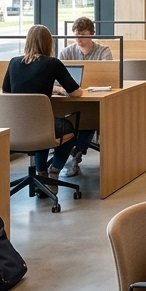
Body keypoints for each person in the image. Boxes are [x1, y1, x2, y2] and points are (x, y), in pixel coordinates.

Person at [3, 25, 86, 178]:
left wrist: (51, 88)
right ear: (49, 43)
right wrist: (60, 89)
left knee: (42, 130)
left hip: (16, 125)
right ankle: (54, 172)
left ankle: (41, 174)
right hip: (40, 125)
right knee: (67, 128)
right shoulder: (52, 63)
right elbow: (75, 92)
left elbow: (6, 92)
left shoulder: (13, 62)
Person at [56, 19, 109, 177]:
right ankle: (74, 151)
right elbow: (58, 79)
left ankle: (76, 153)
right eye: (76, 35)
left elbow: (108, 75)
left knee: (90, 116)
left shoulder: (103, 51)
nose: (79, 39)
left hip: (94, 96)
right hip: (70, 97)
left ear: (92, 34)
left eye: (83, 35)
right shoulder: (66, 52)